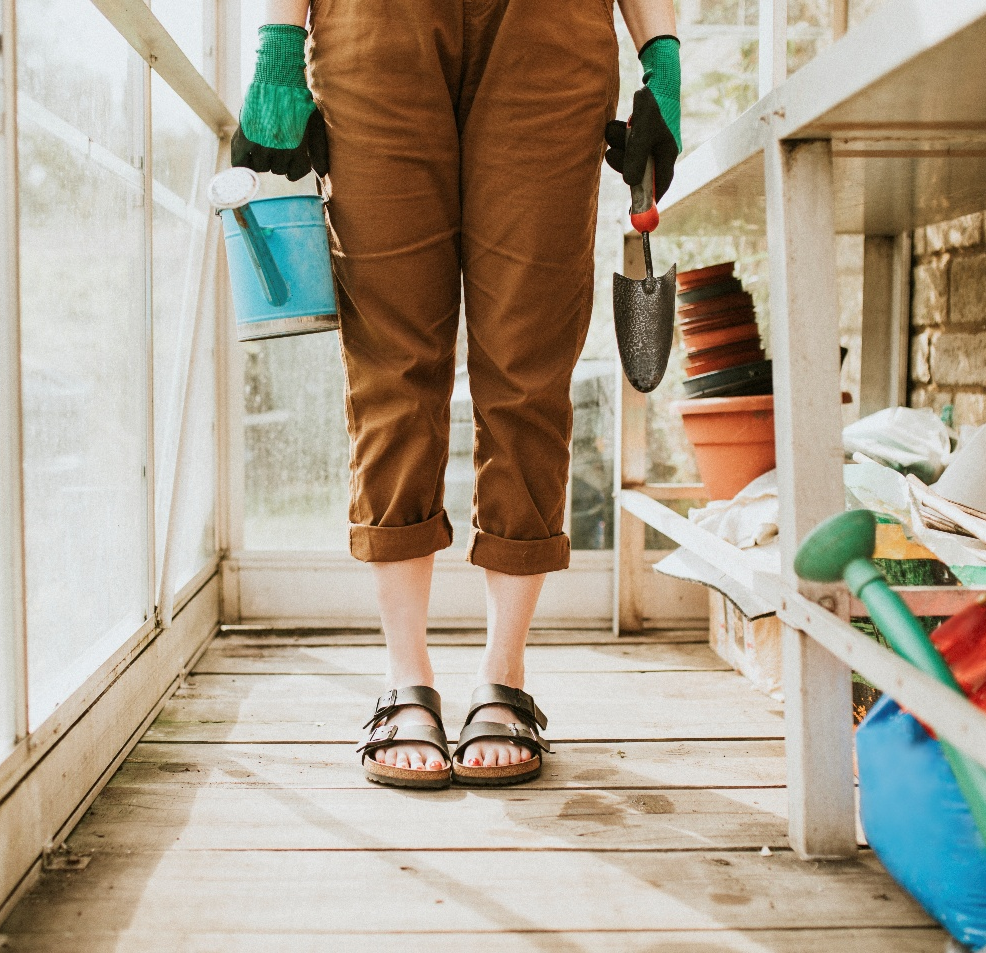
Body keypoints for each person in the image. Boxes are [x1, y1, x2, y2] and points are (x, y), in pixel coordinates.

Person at [232, 0, 682, 788]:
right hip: (378, 23)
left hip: (551, 28)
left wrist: (663, 55)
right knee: (392, 360)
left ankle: (501, 678)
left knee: (528, 356)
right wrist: (277, 43)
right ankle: (408, 679)